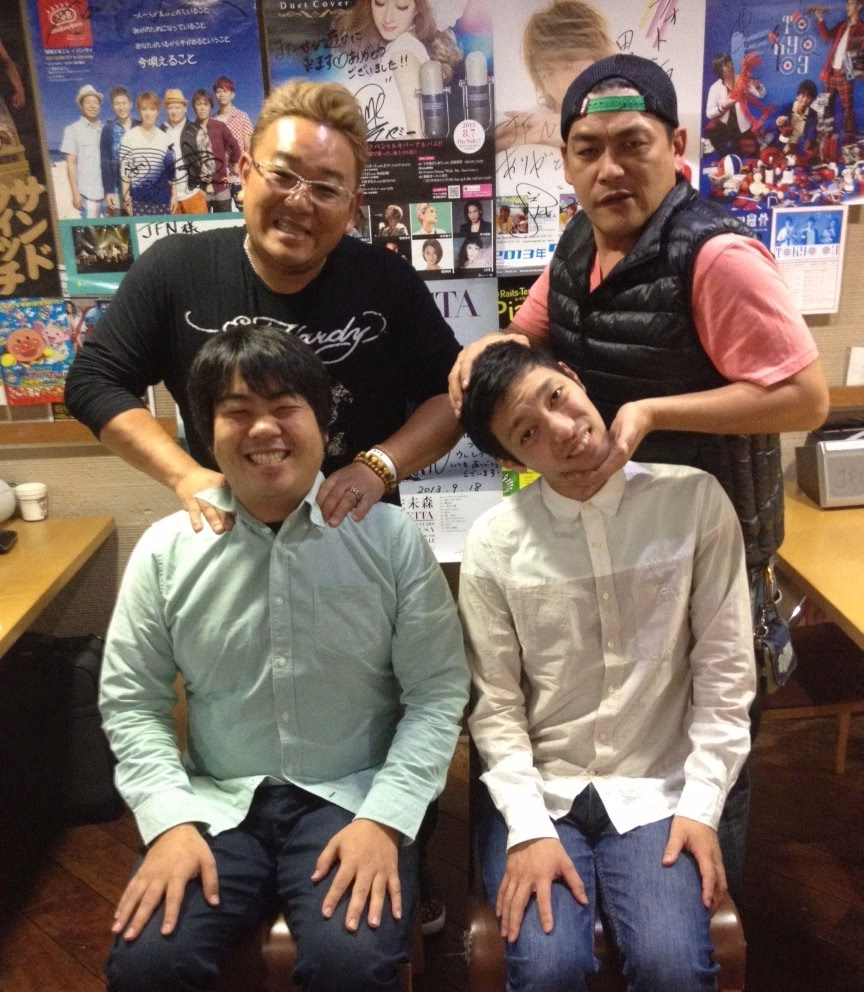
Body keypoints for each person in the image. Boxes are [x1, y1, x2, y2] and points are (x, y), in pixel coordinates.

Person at [64, 80, 463, 930]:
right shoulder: (178, 269)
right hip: (229, 536)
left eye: (327, 187)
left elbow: (450, 395)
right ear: (244, 171)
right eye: (283, 175)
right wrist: (185, 475)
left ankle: (395, 842)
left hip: (354, 534)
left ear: (352, 203)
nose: (300, 202)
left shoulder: (384, 280)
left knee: (384, 698)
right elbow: (93, 380)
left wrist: (381, 464)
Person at [448, 54, 829, 903]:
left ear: (677, 145)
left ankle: (694, 945)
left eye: (633, 143)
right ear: (566, 159)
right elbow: (533, 332)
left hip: (704, 545)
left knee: (705, 778)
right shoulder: (581, 240)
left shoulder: (717, 257)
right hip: (616, 535)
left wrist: (653, 412)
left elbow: (805, 397)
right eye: (588, 149)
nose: (609, 168)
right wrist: (484, 352)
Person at [102, 325, 469, 992]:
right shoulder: (166, 552)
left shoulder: (388, 538)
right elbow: (131, 702)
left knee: (354, 961)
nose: (264, 428)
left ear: (323, 422)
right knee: (145, 965)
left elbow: (438, 694)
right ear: (205, 432)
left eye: (285, 406)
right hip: (215, 802)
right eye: (237, 411)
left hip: (352, 795)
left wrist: (387, 821)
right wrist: (167, 820)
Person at [457, 341, 755, 992]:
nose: (560, 429)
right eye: (527, 432)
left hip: (656, 785)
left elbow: (727, 673)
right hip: (541, 791)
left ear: (576, 381)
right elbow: (495, 708)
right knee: (546, 963)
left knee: (674, 962)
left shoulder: (693, 501)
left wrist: (702, 807)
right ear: (511, 460)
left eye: (556, 398)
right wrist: (525, 828)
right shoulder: (496, 542)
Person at [496, 0, 613, 153]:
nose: (561, 85)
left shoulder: (633, 102)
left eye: (568, 66)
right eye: (548, 74)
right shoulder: (538, 120)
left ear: (598, 59)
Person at [334, 0, 462, 139]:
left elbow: (417, 138)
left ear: (418, 9)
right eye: (380, 3)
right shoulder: (403, 45)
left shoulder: (403, 49)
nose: (388, 18)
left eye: (402, 7)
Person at [813, 0, 864, 146]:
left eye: (850, 4)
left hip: (846, 72)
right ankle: (825, 139)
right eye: (847, 4)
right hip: (830, 72)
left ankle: (849, 141)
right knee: (824, 105)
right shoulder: (843, 24)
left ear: (859, 6)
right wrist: (820, 19)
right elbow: (826, 36)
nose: (847, 6)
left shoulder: (862, 27)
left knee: (847, 109)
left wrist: (856, 69)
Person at [184, 88, 242, 213]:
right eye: (198, 104)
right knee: (201, 224)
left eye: (206, 104)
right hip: (199, 190)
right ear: (193, 107)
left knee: (225, 223)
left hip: (221, 188)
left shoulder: (219, 127)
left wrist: (235, 174)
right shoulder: (189, 130)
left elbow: (235, 147)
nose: (202, 108)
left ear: (210, 106)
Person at [119, 92, 175, 215]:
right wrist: (126, 197)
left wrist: (174, 196)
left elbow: (171, 172)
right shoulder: (129, 137)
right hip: (138, 200)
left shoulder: (165, 138)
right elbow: (125, 171)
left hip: (162, 200)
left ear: (158, 112)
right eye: (144, 109)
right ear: (139, 112)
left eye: (152, 109)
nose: (148, 113)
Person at [704, 52, 768, 156]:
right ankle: (724, 153)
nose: (731, 66)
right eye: (726, 65)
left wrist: (758, 87)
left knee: (753, 154)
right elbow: (709, 113)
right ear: (720, 69)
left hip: (743, 127)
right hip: (724, 128)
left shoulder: (742, 80)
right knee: (713, 133)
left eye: (731, 63)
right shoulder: (715, 88)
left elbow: (761, 95)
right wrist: (723, 107)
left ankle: (752, 144)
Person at [61, 83, 105, 218]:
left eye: (96, 102)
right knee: (91, 229)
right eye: (88, 102)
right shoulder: (72, 130)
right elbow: (71, 164)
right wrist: (75, 193)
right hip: (88, 193)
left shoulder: (105, 130)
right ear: (81, 105)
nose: (92, 106)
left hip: (109, 192)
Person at [162, 88, 208, 215]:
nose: (174, 111)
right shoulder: (160, 131)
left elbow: (208, 162)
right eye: (170, 107)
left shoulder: (196, 130)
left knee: (200, 228)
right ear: (166, 110)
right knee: (174, 229)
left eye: (178, 107)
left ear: (185, 108)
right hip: (169, 198)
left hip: (193, 194)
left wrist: (202, 188)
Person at [99, 86, 138, 215]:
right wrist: (108, 191)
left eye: (124, 103)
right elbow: (105, 162)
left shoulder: (140, 126)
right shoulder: (108, 130)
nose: (121, 107)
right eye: (117, 104)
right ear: (112, 106)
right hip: (117, 189)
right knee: (121, 223)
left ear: (130, 104)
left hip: (140, 189)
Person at [773, 78, 819, 158]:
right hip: (780, 147)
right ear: (797, 96)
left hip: (798, 151)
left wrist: (809, 141)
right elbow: (769, 123)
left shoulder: (813, 114)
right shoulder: (785, 108)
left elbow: (811, 133)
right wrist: (778, 122)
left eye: (808, 97)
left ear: (812, 100)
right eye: (803, 96)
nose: (804, 100)